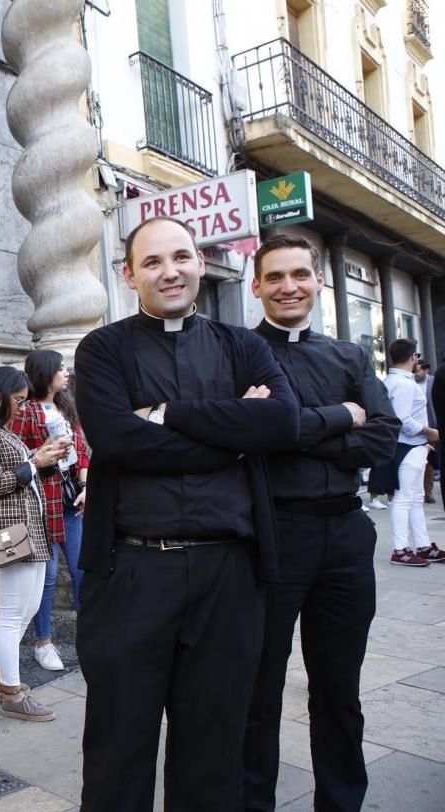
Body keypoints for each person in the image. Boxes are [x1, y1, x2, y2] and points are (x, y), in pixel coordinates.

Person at [73, 216, 298, 811]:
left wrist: (165, 415)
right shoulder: (103, 349)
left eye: (180, 257)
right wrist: (233, 428)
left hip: (228, 576)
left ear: (201, 262)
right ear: (128, 275)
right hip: (132, 574)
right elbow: (118, 440)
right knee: (118, 749)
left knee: (214, 750)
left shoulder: (243, 345)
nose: (168, 271)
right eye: (152, 262)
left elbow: (281, 421)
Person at [242, 234, 400, 811]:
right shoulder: (240, 352)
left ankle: (340, 803)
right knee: (259, 690)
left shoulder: (351, 356)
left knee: (339, 690)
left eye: (300, 275)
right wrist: (340, 422)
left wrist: (297, 433)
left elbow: (382, 438)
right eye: (276, 277)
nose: (289, 287)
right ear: (256, 286)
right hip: (273, 538)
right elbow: (253, 434)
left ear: (317, 282)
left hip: (346, 540)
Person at [0, 366, 57, 722]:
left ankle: (0, 679)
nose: (23, 408)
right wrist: (34, 462)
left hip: (25, 528)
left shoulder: (0, 432)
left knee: (24, 610)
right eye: (17, 401)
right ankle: (11, 694)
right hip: (10, 531)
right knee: (13, 612)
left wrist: (39, 459)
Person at [10, 349, 89, 672]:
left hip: (72, 498)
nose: (66, 373)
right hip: (42, 501)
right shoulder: (26, 411)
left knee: (84, 569)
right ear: (45, 373)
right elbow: (14, 452)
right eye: (59, 368)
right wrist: (44, 455)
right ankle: (44, 641)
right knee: (48, 576)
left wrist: (85, 484)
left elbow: (82, 448)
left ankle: (90, 636)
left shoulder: (67, 407)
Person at [382, 338, 442, 565]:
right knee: (405, 498)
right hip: (408, 446)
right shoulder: (404, 384)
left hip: (411, 447)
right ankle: (400, 549)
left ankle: (422, 545)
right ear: (413, 357)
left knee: (412, 498)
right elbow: (402, 419)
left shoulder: (393, 381)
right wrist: (429, 432)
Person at [415, 360, 437, 502]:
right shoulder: (410, 383)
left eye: (418, 371)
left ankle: (427, 492)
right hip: (415, 427)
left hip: (432, 426)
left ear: (426, 370)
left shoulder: (434, 382)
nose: (416, 374)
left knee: (429, 461)